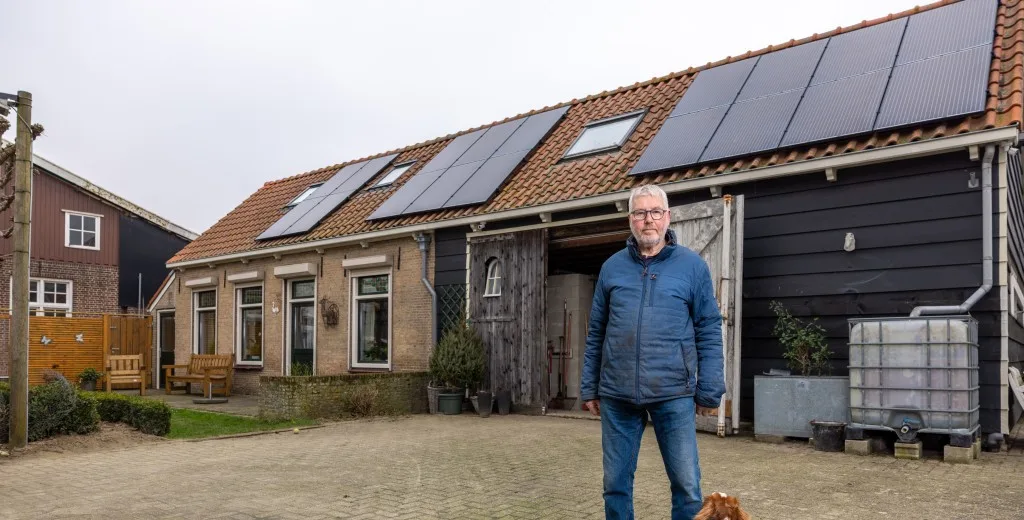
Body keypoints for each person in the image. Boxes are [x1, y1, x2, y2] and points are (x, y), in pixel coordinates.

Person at [580, 183, 725, 520]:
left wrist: (709, 389)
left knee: (687, 485)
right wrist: (589, 387)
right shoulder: (612, 268)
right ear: (630, 219)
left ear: (667, 217)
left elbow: (708, 328)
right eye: (640, 213)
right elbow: (597, 330)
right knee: (615, 484)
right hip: (617, 394)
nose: (648, 220)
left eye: (655, 212)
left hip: (673, 392)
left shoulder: (692, 266)